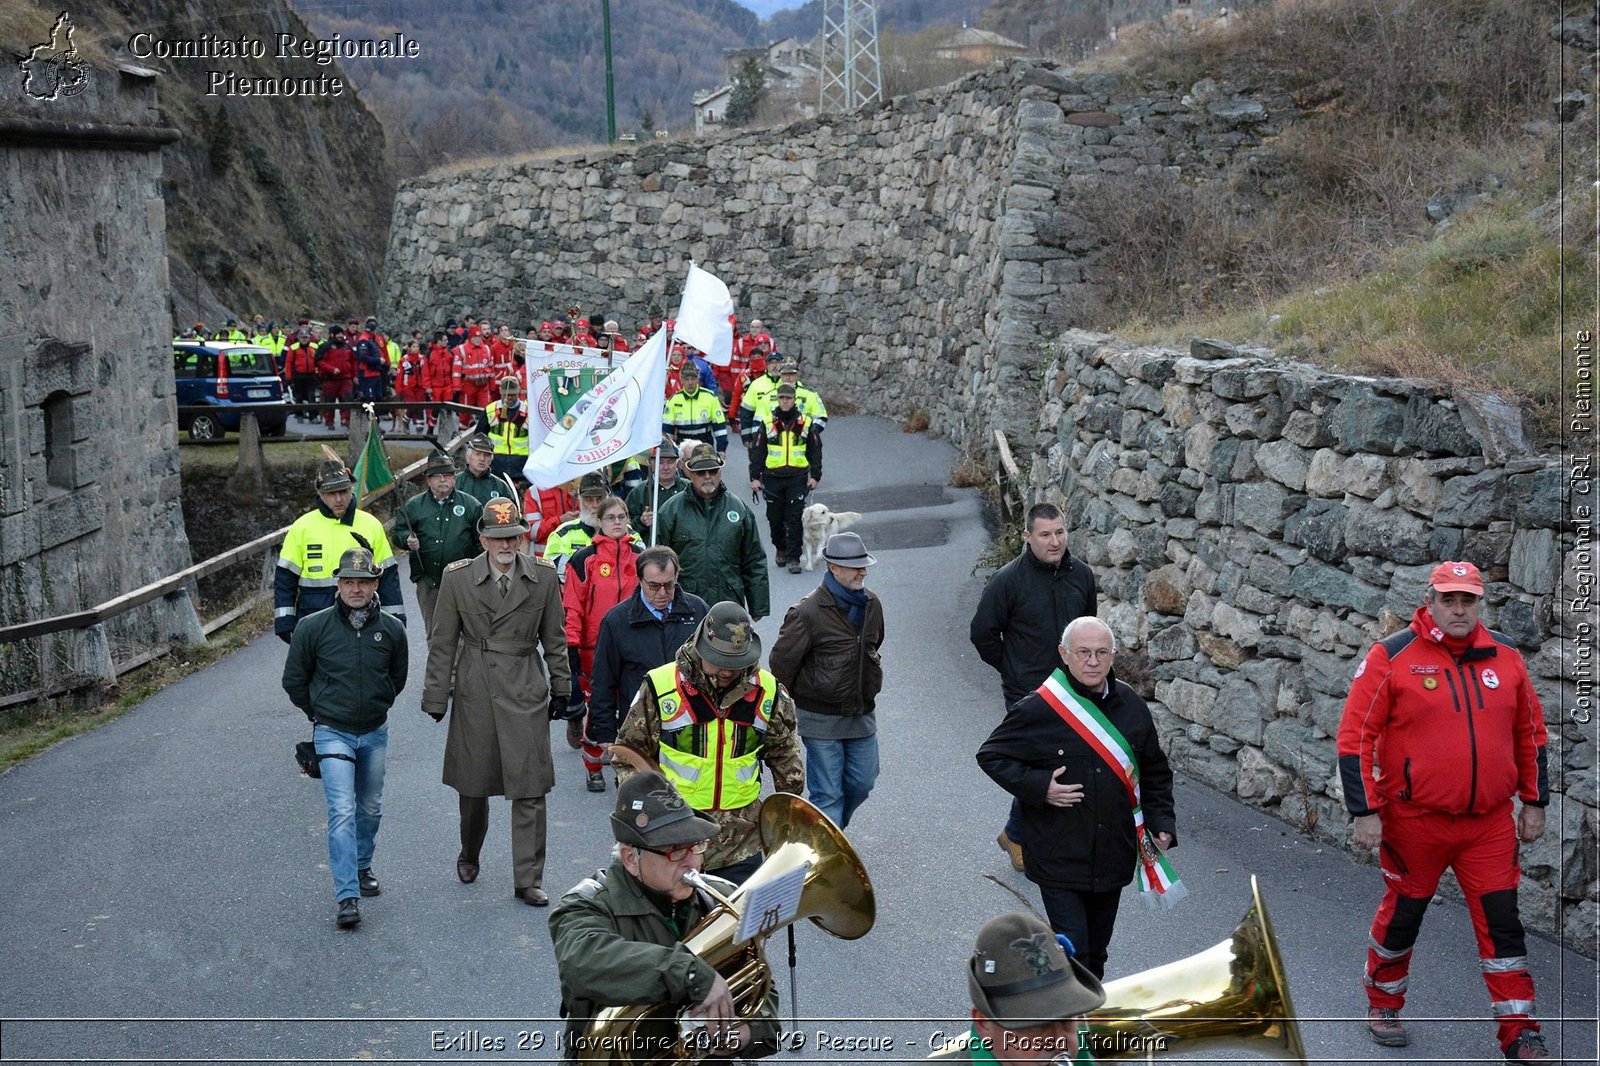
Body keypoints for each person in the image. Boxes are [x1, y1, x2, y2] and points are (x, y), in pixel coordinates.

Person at [1336, 561, 1552, 1062]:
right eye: (1449, 599)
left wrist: (1534, 802)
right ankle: (1384, 1003)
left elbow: (1532, 735)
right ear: (1429, 600)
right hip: (1414, 821)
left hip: (1490, 825)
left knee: (1504, 925)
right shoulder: (1392, 656)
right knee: (1404, 915)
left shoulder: (1508, 658)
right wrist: (1365, 810)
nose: (1459, 609)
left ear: (1480, 604)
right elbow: (1354, 739)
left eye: (1468, 600)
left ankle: (1519, 1031)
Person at [976, 617, 1178, 980]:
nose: (1092, 661)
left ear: (1113, 655)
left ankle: (1077, 1023)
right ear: (1064, 655)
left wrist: (1161, 821)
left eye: (1101, 652)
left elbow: (1154, 770)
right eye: (1083, 652)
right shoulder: (1039, 708)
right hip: (1058, 856)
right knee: (1076, 954)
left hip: (1113, 856)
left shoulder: (1131, 706)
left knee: (1096, 955)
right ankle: (1067, 1029)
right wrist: (1041, 787)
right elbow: (991, 755)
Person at [549, 770, 780, 1063]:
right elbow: (580, 961)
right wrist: (690, 973)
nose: (691, 861)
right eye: (673, 850)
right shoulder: (587, 904)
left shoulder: (722, 898)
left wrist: (740, 1036)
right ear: (632, 858)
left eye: (695, 846)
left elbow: (766, 1007)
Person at [421, 498, 571, 906]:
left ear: (523, 538)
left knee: (530, 786)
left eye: (514, 537)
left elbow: (555, 639)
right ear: (483, 539)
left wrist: (563, 688)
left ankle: (528, 878)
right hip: (476, 686)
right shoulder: (458, 579)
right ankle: (469, 851)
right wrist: (436, 694)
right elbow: (442, 641)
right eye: (498, 537)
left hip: (524, 685)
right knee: (474, 785)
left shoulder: (542, 577)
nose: (507, 545)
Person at [613, 601, 803, 884]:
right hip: (674, 843)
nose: (727, 671)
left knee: (741, 928)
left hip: (742, 845)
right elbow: (628, 756)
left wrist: (789, 822)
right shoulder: (660, 685)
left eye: (735, 663)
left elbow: (785, 756)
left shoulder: (769, 692)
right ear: (701, 645)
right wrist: (644, 819)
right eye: (719, 660)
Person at [281, 546, 409, 930]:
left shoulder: (391, 629)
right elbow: (294, 680)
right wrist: (318, 711)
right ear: (338, 584)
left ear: (375, 584)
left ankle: (363, 863)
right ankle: (347, 896)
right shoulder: (312, 628)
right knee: (341, 810)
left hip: (373, 730)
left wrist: (378, 702)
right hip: (331, 730)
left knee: (369, 807)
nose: (356, 589)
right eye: (349, 581)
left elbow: (397, 678)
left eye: (364, 582)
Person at [969, 502, 1098, 872]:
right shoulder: (1008, 580)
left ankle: (1027, 834)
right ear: (1027, 537)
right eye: (1045, 534)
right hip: (1029, 692)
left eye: (1059, 532)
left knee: (1071, 764)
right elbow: (982, 633)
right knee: (1041, 765)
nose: (1054, 541)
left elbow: (1089, 627)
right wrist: (1012, 669)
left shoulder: (1083, 576)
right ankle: (1018, 834)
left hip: (1075, 690)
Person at [769, 532, 884, 828]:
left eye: (864, 564)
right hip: (820, 719)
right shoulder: (806, 612)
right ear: (833, 567)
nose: (863, 571)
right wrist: (805, 700)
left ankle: (831, 836)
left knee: (862, 783)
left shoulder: (872, 604)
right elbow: (781, 664)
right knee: (828, 795)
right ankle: (829, 857)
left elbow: (874, 645)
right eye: (856, 565)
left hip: (861, 714)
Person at [587, 546, 709, 788]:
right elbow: (603, 680)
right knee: (642, 809)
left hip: (690, 729)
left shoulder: (698, 612)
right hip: (639, 731)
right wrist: (605, 734)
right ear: (639, 580)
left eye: (669, 585)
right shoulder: (617, 621)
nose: (662, 593)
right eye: (653, 586)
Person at [928, 912, 1105, 1064]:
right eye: (1037, 1025)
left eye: (1067, 1019)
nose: (1059, 1042)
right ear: (984, 1023)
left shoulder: (1088, 1050)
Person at [275, 460, 405, 643]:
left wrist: (396, 619)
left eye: (343, 492)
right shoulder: (302, 527)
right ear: (320, 493)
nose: (338, 499)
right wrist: (284, 620)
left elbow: (388, 577)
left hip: (363, 621)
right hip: (314, 620)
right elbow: (285, 578)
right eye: (331, 493)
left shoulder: (371, 525)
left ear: (351, 489)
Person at [563, 496, 643, 792]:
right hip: (594, 651)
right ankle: (594, 765)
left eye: (622, 516)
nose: (617, 522)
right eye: (611, 517)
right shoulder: (584, 560)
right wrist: (572, 645)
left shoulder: (641, 557)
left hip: (634, 648)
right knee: (600, 710)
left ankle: (628, 772)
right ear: (600, 521)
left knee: (634, 713)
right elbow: (573, 607)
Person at [654, 448, 769, 622]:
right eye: (701, 472)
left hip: (728, 603)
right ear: (689, 473)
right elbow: (656, 562)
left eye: (713, 471)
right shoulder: (670, 511)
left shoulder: (738, 508)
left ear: (720, 472)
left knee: (727, 649)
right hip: (685, 604)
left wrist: (757, 605)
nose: (707, 476)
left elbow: (754, 559)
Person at [391, 450, 483, 633]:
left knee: (464, 633)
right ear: (428, 480)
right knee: (435, 632)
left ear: (454, 478)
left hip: (464, 580)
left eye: (448, 475)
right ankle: (438, 663)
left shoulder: (471, 505)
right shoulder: (414, 506)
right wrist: (406, 540)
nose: (443, 479)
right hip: (428, 580)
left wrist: (477, 574)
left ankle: (461, 663)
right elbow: (398, 533)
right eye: (438, 476)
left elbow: (481, 542)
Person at [747, 383, 822, 574]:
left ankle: (794, 558)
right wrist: (755, 477)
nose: (785, 401)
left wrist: (815, 475)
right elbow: (758, 451)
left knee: (795, 519)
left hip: (797, 477)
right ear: (778, 399)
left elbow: (815, 450)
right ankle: (780, 548)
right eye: (782, 398)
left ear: (794, 399)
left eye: (788, 398)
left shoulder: (805, 422)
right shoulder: (767, 423)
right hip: (773, 478)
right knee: (775, 519)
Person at [544, 472, 613, 580]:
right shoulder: (563, 533)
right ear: (580, 501)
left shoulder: (624, 531)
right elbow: (550, 568)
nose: (595, 505)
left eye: (600, 499)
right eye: (589, 500)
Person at [626, 440, 688, 539]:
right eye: (660, 462)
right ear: (651, 463)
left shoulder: (688, 488)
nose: (666, 467)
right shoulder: (639, 492)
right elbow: (626, 527)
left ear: (677, 464)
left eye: (670, 462)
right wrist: (641, 521)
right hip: (650, 550)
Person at [662, 372, 729, 454]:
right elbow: (667, 431)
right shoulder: (673, 400)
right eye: (687, 379)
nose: (690, 382)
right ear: (681, 381)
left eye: (693, 379)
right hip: (682, 449)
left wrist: (721, 450)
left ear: (698, 380)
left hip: (705, 448)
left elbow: (720, 428)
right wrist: (667, 452)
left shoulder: (710, 398)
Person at [483, 375, 531, 483]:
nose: (509, 398)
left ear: (518, 391)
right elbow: (480, 436)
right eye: (506, 395)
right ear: (500, 391)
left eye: (513, 395)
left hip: (522, 466)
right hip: (496, 465)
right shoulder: (490, 410)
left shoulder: (529, 411)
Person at [455, 433, 517, 506]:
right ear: (468, 457)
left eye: (487, 455)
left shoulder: (500, 486)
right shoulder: (455, 482)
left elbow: (511, 512)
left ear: (491, 459)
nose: (482, 459)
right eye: (478, 454)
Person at [315, 325, 356, 429]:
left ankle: (346, 420)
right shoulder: (325, 347)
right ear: (332, 335)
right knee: (329, 401)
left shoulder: (347, 347)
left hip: (346, 378)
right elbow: (319, 361)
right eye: (338, 334)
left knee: (348, 399)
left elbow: (353, 362)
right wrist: (331, 369)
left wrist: (355, 376)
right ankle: (329, 421)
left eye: (341, 334)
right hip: (330, 379)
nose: (340, 336)